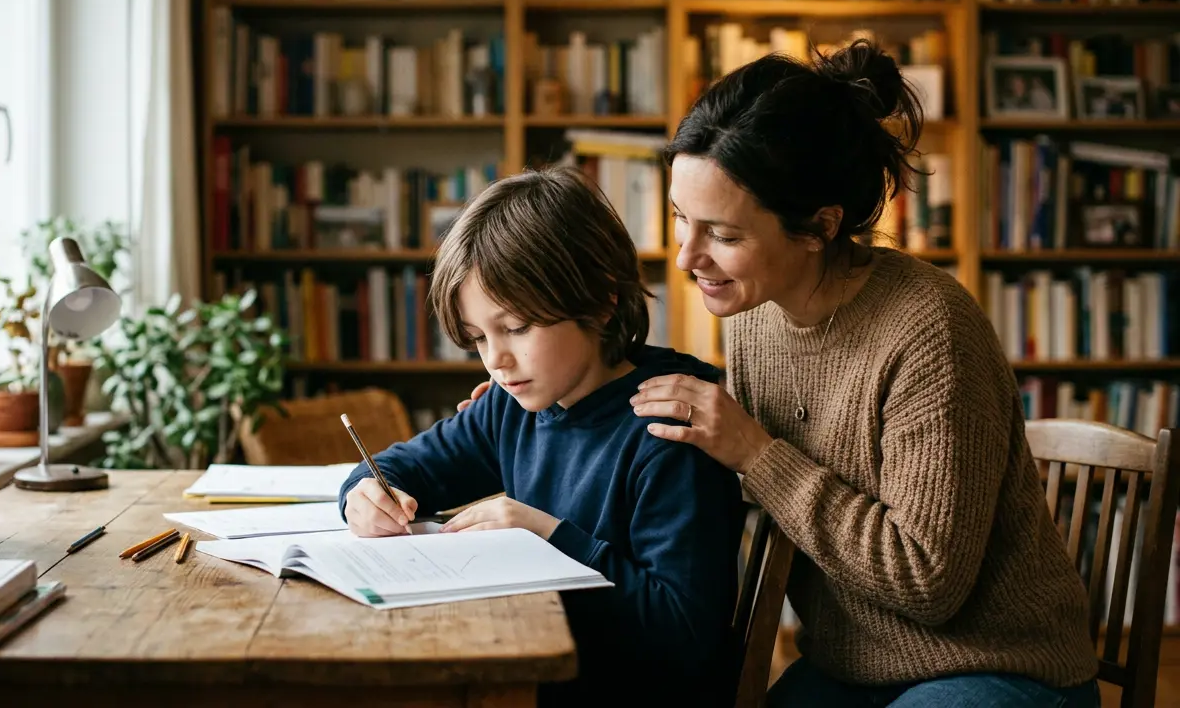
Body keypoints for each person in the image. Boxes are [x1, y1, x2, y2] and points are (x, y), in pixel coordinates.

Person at [460, 40, 1102, 707]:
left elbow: (928, 583)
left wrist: (756, 455)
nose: (686, 258)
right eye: (682, 220)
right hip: (845, 669)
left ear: (819, 228)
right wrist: (547, 401)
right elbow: (726, 437)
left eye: (723, 235)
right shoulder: (753, 317)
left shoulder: (931, 330)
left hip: (996, 668)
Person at [337, 166, 744, 705]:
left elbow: (686, 638)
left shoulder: (674, 423)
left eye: (517, 328)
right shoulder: (512, 407)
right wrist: (362, 497)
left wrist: (547, 541)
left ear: (599, 302)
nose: (496, 361)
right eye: (479, 337)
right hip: (536, 677)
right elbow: (394, 469)